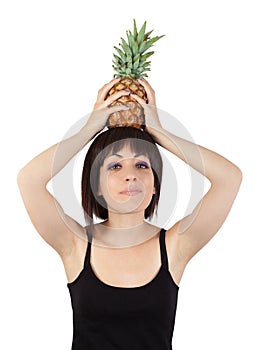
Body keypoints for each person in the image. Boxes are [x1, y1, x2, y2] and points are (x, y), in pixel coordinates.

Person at [17, 77, 242, 349]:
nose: (130, 177)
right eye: (114, 166)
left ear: (155, 185)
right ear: (96, 185)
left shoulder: (174, 246)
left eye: (142, 165)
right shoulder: (76, 244)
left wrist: (159, 132)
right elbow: (28, 180)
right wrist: (91, 128)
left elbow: (230, 178)